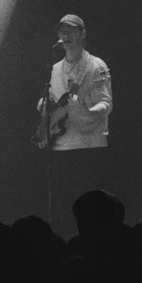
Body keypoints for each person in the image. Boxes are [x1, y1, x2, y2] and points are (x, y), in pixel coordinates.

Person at [37, 14, 113, 239]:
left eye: (71, 31)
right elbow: (50, 100)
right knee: (63, 207)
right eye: (62, 31)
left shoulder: (97, 67)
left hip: (89, 144)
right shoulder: (54, 68)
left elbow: (106, 101)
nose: (65, 35)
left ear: (83, 34)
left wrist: (90, 111)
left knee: (91, 207)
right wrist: (43, 104)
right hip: (61, 145)